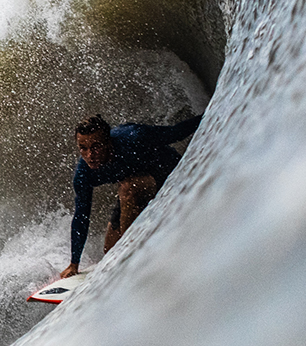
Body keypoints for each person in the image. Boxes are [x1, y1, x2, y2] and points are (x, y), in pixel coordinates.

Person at [59, 113, 203, 279]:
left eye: (96, 146)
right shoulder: (84, 174)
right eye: (83, 148)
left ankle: (131, 259)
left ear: (108, 142)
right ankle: (136, 249)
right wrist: (74, 263)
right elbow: (81, 216)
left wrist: (210, 113)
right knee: (110, 251)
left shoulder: (134, 137)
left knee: (128, 188)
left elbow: (175, 132)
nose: (90, 155)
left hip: (171, 173)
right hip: (137, 187)